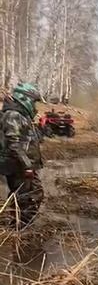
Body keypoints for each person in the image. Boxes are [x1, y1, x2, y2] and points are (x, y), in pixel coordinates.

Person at [0, 82, 45, 228]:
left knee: (31, 194)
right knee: (26, 197)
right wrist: (27, 166)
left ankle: (20, 225)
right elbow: (13, 144)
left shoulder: (20, 115)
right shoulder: (12, 115)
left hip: (24, 164)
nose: (34, 105)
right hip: (18, 165)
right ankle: (19, 227)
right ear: (24, 99)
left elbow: (28, 138)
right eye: (33, 101)